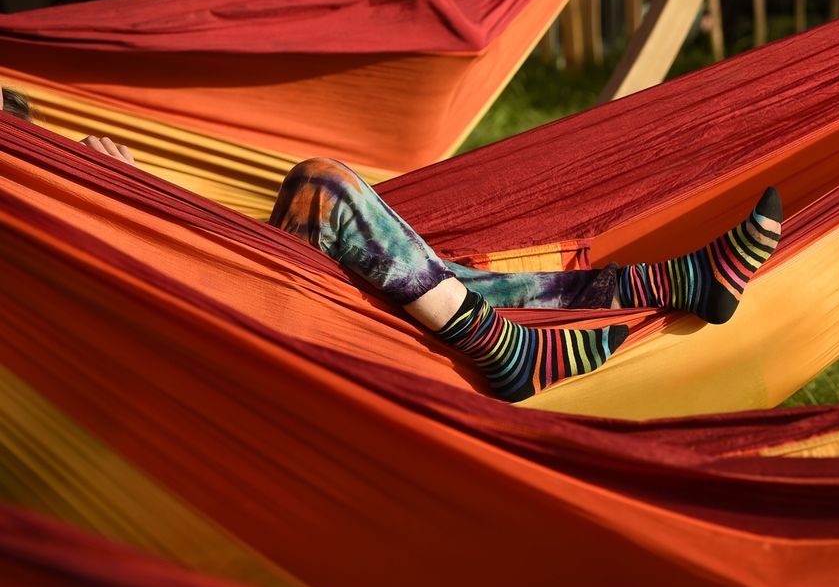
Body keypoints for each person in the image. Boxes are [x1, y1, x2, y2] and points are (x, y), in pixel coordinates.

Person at [4, 89, 783, 402]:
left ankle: (681, 281)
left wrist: (131, 191)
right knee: (325, 188)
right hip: (210, 341)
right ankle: (503, 350)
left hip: (236, 289)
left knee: (438, 278)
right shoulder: (27, 231)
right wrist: (103, 200)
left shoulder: (51, 198)